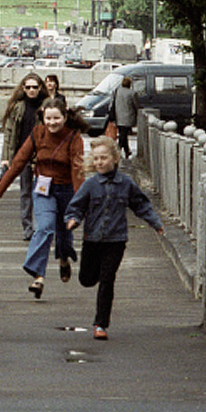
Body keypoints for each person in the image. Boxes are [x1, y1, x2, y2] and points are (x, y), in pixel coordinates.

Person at [0, 96, 87, 299]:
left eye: (56, 118)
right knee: (45, 227)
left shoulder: (74, 137)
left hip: (68, 190)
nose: (52, 123)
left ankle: (64, 259)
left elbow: (78, 171)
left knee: (65, 233)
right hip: (43, 190)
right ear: (42, 117)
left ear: (65, 116)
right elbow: (17, 164)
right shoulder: (38, 133)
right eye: (48, 118)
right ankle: (38, 276)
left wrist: (81, 203)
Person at [65, 136, 164, 339]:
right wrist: (73, 220)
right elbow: (76, 206)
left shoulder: (126, 183)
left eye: (104, 158)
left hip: (116, 240)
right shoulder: (90, 184)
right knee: (86, 279)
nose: (100, 162)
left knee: (107, 280)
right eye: (96, 158)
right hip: (93, 239)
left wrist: (156, 223)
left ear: (115, 159)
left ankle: (100, 325)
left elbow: (141, 204)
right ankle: (97, 273)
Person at [0, 73, 49, 241]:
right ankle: (28, 229)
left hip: (42, 157)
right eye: (28, 87)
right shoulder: (18, 107)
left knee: (43, 192)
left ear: (40, 88)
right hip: (23, 156)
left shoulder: (46, 107)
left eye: (35, 87)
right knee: (25, 193)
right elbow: (9, 134)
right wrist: (6, 157)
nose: (31, 90)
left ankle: (42, 226)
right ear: (23, 88)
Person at [112, 76, 141, 160]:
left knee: (123, 133)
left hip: (118, 116)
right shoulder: (132, 93)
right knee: (123, 135)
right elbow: (136, 105)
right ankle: (117, 150)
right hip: (128, 116)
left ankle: (127, 150)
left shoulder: (117, 91)